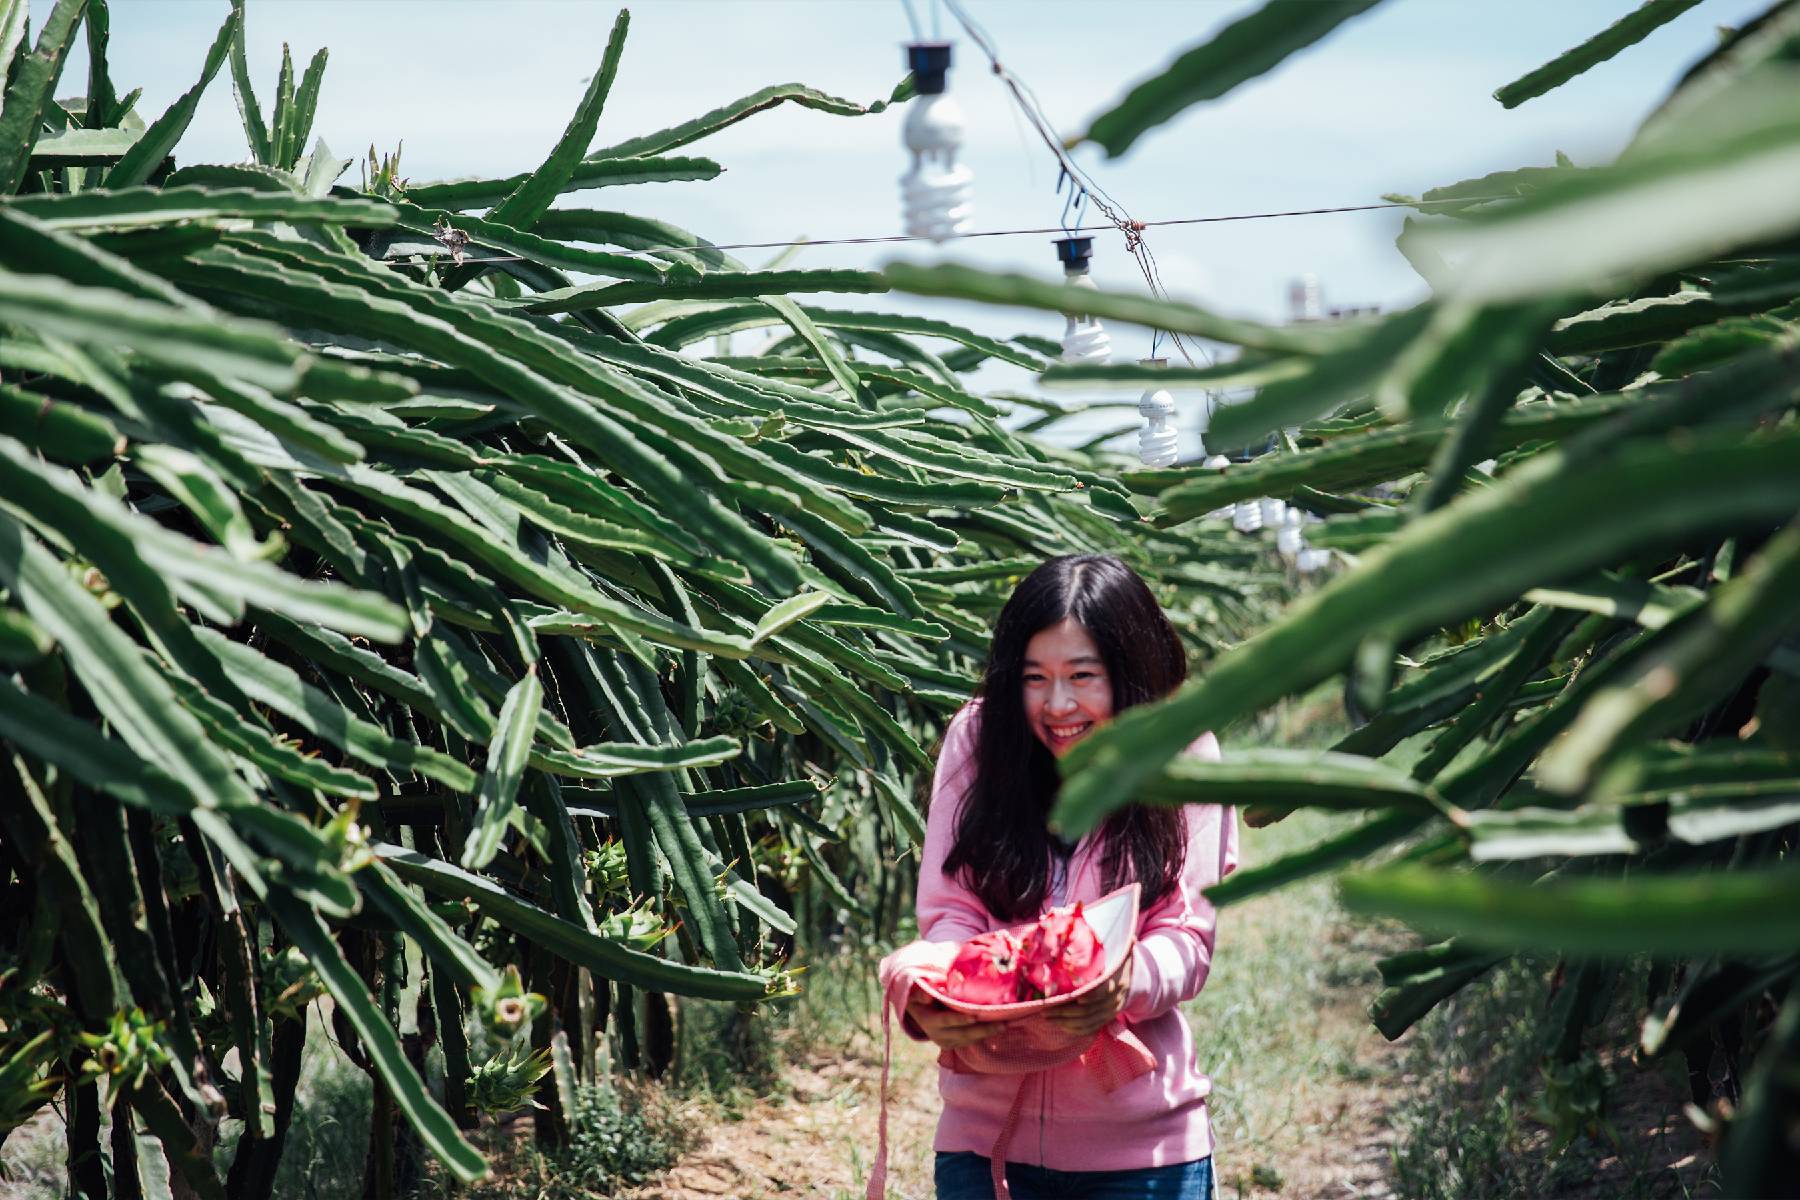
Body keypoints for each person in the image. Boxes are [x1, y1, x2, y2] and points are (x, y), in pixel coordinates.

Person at [885, 554, 1238, 1200]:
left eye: (1082, 676)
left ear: (1131, 678)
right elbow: (952, 914)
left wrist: (1122, 981)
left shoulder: (1187, 754)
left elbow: (1188, 941)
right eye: (1035, 678)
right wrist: (938, 990)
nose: (1057, 705)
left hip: (1144, 1153)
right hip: (983, 1149)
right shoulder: (979, 738)